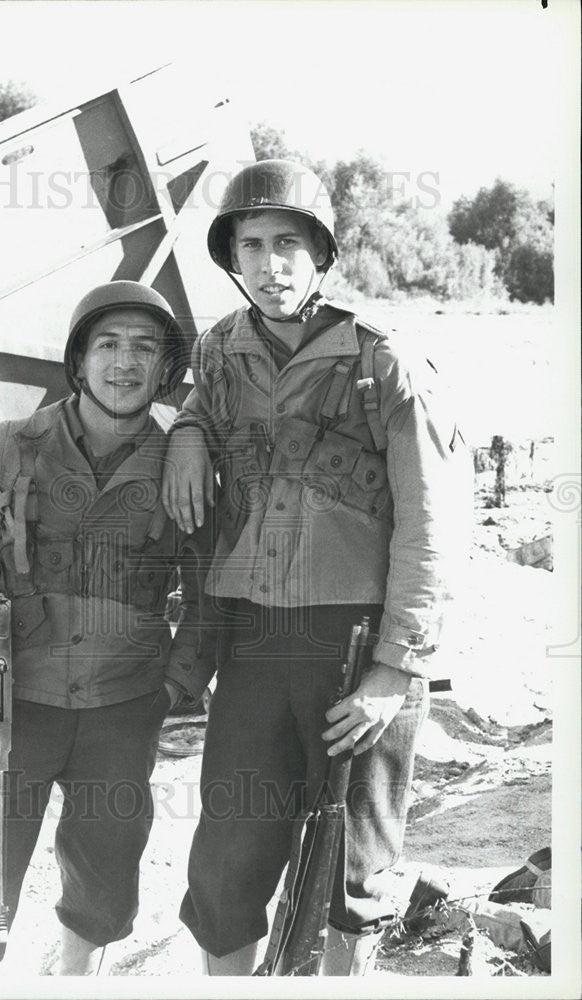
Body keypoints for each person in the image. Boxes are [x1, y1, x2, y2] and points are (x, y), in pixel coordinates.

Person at [161, 159, 471, 976]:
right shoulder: (221, 350)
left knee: (352, 873)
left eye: (289, 244)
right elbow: (202, 404)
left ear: (323, 253)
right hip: (254, 641)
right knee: (227, 868)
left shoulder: (385, 360)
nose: (270, 266)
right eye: (252, 245)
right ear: (232, 257)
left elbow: (433, 526)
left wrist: (393, 670)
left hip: (357, 646)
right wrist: (189, 436)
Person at [0, 281, 215, 974]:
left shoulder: (184, 468)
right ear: (77, 361)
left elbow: (214, 586)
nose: (124, 363)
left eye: (143, 349)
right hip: (13, 704)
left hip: (123, 711)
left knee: (104, 878)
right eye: (107, 344)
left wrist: (177, 685)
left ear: (164, 370)